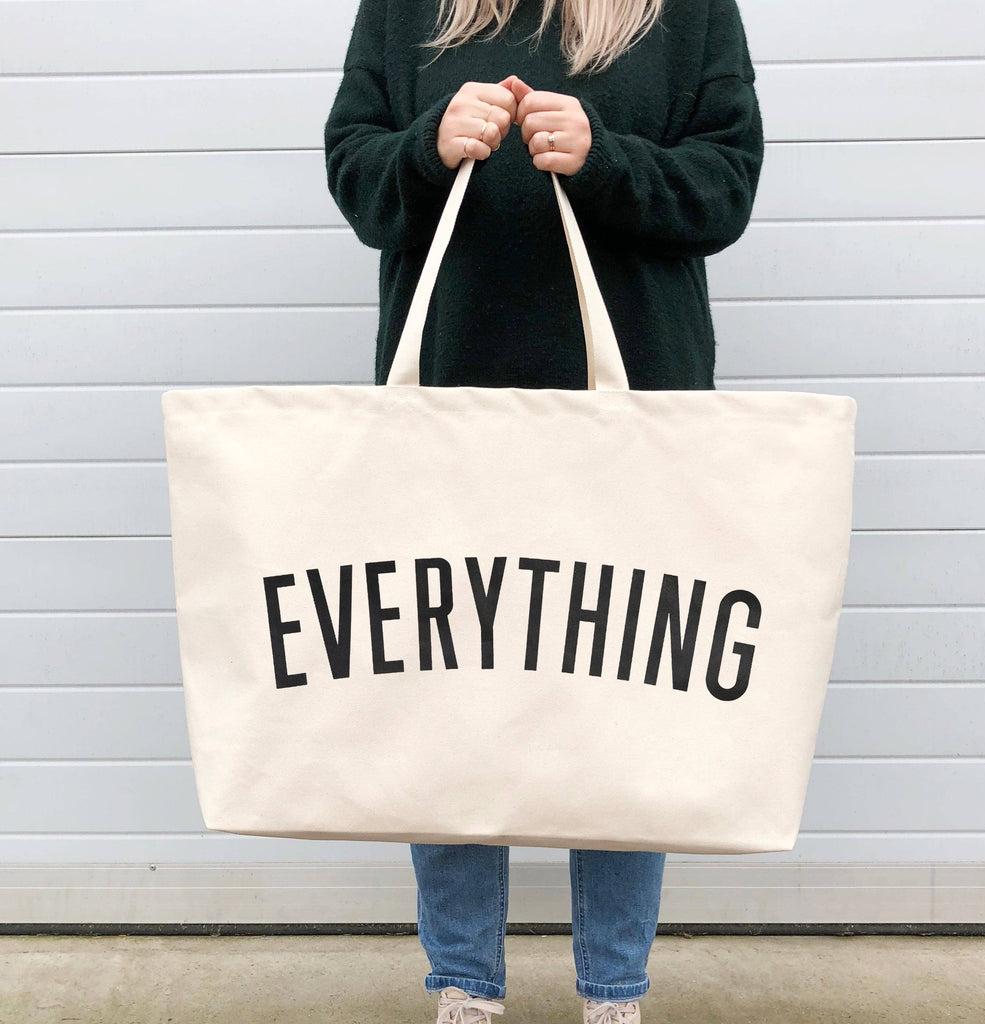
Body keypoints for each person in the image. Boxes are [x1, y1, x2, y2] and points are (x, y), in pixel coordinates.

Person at [324, 0, 763, 1018]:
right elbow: (356, 176)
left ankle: (613, 991)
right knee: (448, 694)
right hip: (449, 408)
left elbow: (725, 188)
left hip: (636, 415)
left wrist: (603, 158)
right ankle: (464, 986)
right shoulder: (407, 8)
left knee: (625, 693)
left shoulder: (686, 11)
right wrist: (428, 150)